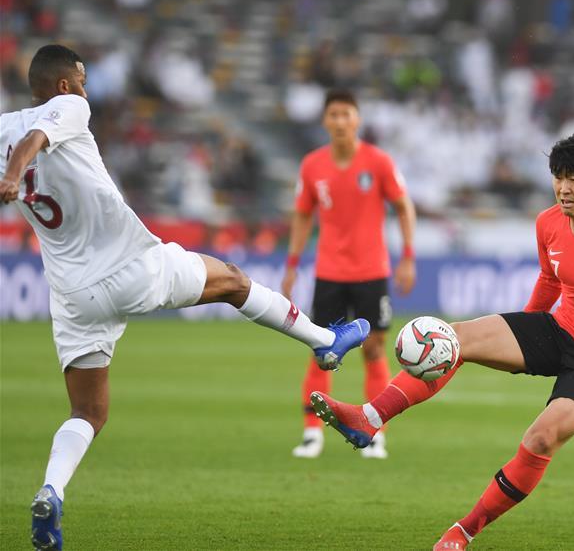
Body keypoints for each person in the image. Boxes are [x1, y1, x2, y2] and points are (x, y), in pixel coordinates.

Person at [0, 45, 370, 551]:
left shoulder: (2, 128)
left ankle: (51, 491)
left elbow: (23, 141)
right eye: (81, 80)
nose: (86, 89)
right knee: (233, 281)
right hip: (130, 266)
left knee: (87, 412)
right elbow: (36, 139)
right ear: (64, 85)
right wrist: (14, 174)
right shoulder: (70, 107)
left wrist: (12, 175)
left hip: (72, 295)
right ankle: (324, 341)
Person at [308, 134, 574, 549]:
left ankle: (463, 531)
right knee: (451, 339)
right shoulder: (548, 224)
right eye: (557, 178)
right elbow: (550, 280)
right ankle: (369, 418)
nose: (562, 188)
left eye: (573, 178)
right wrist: (521, 331)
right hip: (560, 330)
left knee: (541, 439)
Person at [281, 88, 416, 460]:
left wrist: (408, 256)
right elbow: (302, 216)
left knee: (374, 349)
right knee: (320, 350)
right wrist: (292, 265)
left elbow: (404, 206)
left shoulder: (379, 162)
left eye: (346, 114)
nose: (340, 121)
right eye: (334, 114)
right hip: (329, 272)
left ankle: (376, 433)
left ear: (357, 119)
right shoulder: (312, 166)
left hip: (372, 271)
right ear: (325, 121)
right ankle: (312, 433)